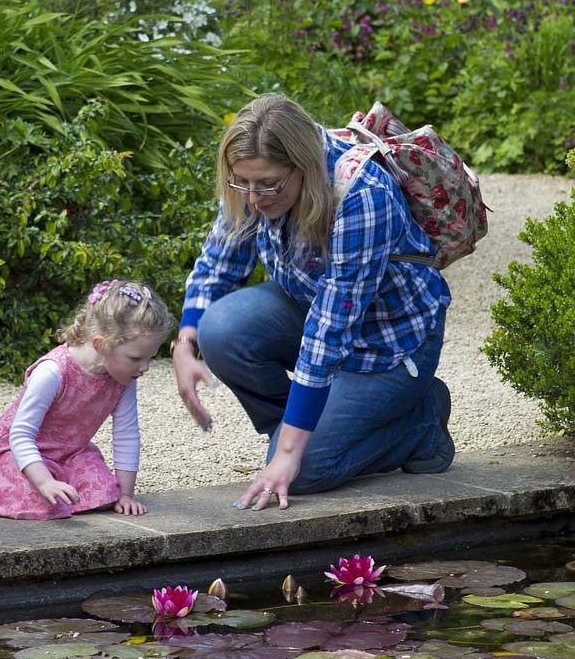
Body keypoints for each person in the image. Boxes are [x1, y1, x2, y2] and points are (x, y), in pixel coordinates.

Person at [172, 93, 453, 511]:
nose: (253, 197)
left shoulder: (361, 195)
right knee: (220, 328)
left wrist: (290, 455)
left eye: (267, 184)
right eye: (242, 182)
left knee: (303, 473)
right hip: (315, 310)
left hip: (389, 348)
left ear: (302, 167)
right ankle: (303, 429)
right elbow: (220, 260)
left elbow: (329, 332)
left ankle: (422, 420)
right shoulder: (258, 178)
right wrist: (185, 342)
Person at [0, 279, 174, 519]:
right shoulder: (53, 372)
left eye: (149, 358)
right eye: (136, 358)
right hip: (20, 455)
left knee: (105, 491)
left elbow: (126, 433)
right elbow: (20, 435)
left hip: (71, 455)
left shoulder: (123, 379)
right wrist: (45, 482)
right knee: (41, 500)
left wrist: (126, 494)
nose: (145, 367)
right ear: (101, 344)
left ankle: (62, 484)